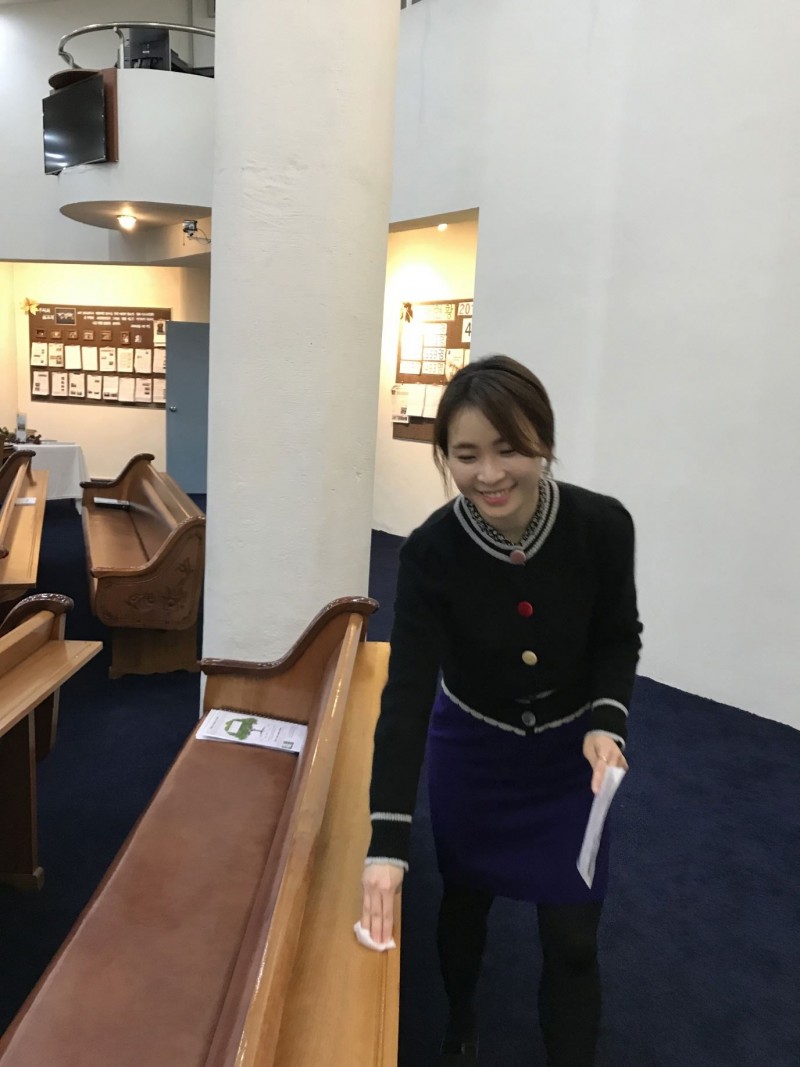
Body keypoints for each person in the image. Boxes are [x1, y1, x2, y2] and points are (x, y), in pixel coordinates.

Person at [360, 354, 642, 1066]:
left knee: (573, 940)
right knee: (464, 903)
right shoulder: (430, 552)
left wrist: (607, 720)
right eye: (466, 455)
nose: (489, 473)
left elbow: (618, 634)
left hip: (569, 759)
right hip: (474, 753)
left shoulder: (603, 525)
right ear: (445, 457)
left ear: (544, 439)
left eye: (509, 448)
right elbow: (406, 693)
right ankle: (460, 1018)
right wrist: (387, 841)